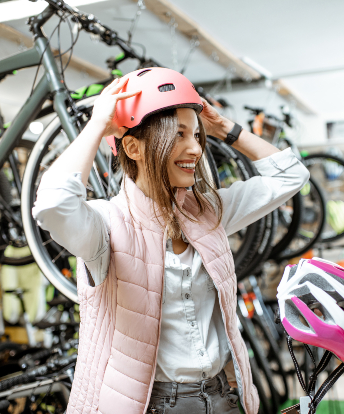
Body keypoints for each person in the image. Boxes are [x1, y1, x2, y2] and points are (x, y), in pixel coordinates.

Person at [32, 67, 310, 414]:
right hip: (152, 404)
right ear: (132, 147)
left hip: (224, 395)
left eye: (196, 135)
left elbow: (291, 175)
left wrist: (225, 128)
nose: (195, 147)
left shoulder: (208, 212)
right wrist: (97, 127)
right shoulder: (107, 224)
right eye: (178, 135)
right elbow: (52, 204)